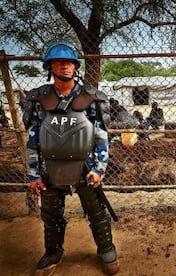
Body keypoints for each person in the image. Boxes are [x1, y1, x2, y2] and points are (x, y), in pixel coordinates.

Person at [22, 40, 119, 274]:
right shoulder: (38, 99)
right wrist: (34, 174)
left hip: (85, 166)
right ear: (50, 67)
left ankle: (105, 249)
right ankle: (53, 253)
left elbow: (100, 135)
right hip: (49, 167)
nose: (65, 67)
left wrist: (99, 168)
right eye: (58, 62)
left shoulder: (92, 98)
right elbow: (33, 139)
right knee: (51, 215)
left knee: (96, 212)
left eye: (69, 63)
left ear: (76, 67)